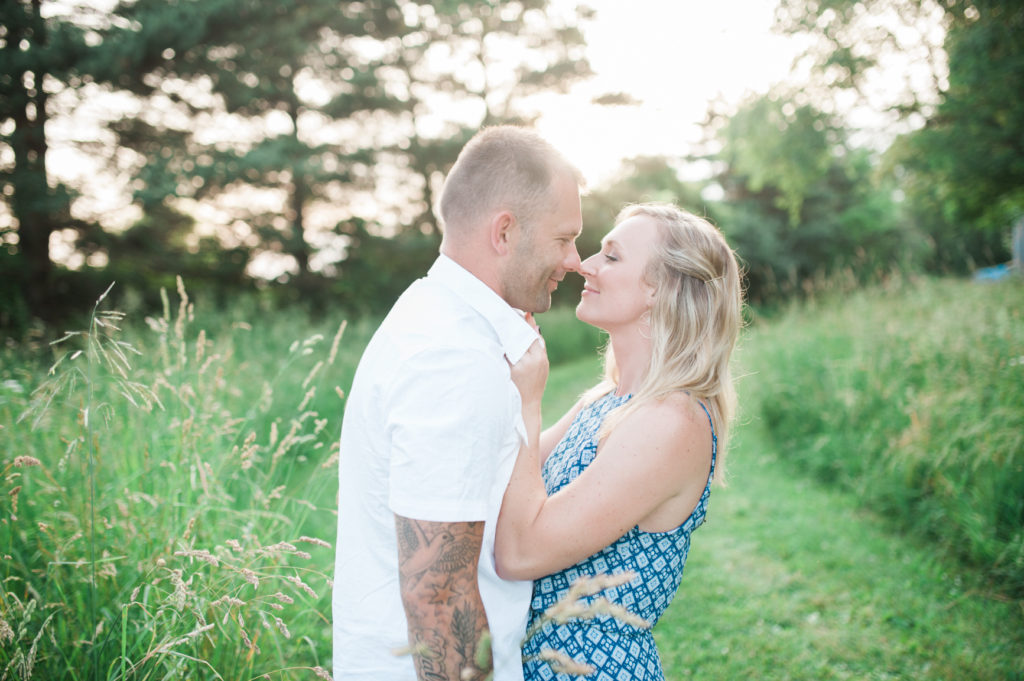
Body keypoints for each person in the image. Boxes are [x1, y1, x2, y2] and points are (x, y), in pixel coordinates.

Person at [332, 125, 585, 681]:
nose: (575, 260)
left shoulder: (437, 319)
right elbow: (437, 595)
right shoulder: (453, 358)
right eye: (564, 239)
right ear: (504, 231)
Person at [494, 202, 743, 680]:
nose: (584, 265)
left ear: (659, 289)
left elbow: (520, 553)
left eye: (611, 256)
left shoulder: (672, 421)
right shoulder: (607, 400)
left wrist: (528, 401)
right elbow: (503, 473)